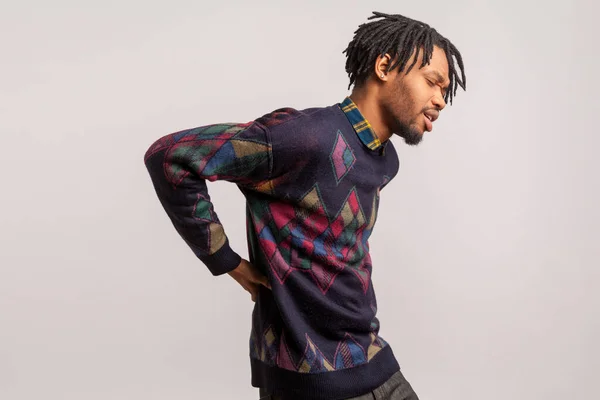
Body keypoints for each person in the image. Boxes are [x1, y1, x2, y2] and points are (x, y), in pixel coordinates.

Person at [143, 11, 466, 400]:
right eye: (433, 82)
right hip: (309, 377)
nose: (440, 101)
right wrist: (224, 260)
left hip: (371, 356)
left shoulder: (384, 160)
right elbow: (171, 156)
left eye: (445, 91)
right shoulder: (304, 137)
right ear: (384, 66)